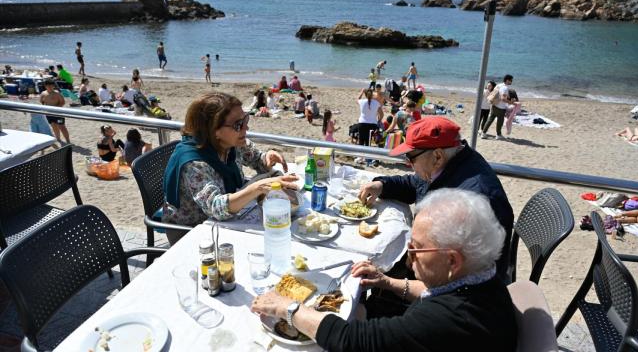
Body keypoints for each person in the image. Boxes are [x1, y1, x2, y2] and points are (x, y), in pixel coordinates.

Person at [251, 188, 518, 352]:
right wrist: (386, 282)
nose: (408, 259)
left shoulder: (450, 320)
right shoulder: (481, 278)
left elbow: (352, 340)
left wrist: (288, 308)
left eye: (416, 249)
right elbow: (434, 290)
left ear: (452, 261)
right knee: (358, 307)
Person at [359, 117, 514, 288]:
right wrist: (382, 185)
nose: (408, 163)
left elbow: (465, 284)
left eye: (411, 157)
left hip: (457, 292)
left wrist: (391, 283)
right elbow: (415, 184)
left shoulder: (473, 200)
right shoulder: (449, 163)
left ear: (437, 156)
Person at [162, 92, 298, 244]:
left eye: (245, 119)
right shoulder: (193, 163)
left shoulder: (230, 144)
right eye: (238, 124)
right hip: (191, 232)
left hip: (222, 223)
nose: (246, 127)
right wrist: (257, 188)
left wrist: (267, 158)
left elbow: (255, 158)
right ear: (214, 130)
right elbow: (216, 207)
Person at [354, 88, 383, 164]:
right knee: (368, 141)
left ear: (365, 94)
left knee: (361, 140)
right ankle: (367, 158)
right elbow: (381, 114)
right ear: (372, 94)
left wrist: (361, 92)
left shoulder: (361, 101)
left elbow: (357, 99)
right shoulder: (376, 103)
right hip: (373, 124)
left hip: (362, 123)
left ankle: (360, 157)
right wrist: (379, 120)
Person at [482, 74, 513, 140]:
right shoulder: (505, 88)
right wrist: (510, 102)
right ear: (507, 80)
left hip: (494, 105)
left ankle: (483, 133)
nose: (511, 81)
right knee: (500, 122)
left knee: (490, 120)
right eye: (511, 80)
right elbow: (503, 98)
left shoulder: (499, 85)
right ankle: (498, 135)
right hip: (500, 108)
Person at [40, 79, 70, 144]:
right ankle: (58, 139)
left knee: (62, 126)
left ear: (53, 86)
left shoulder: (57, 93)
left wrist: (56, 108)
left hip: (58, 114)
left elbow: (63, 102)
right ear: (45, 86)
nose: (50, 87)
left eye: (51, 86)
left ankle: (68, 140)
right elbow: (41, 101)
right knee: (53, 126)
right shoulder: (43, 93)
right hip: (49, 114)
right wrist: (45, 107)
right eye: (48, 86)